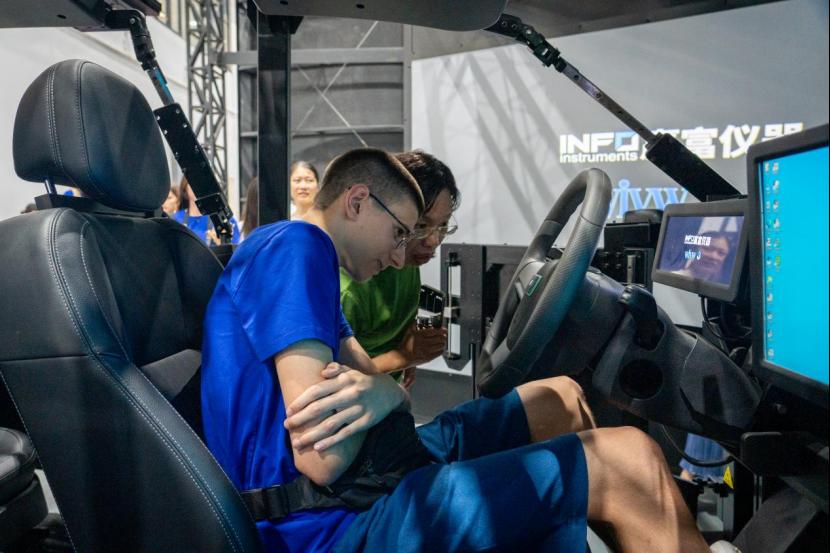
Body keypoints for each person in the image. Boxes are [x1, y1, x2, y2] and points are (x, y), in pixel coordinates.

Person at [201, 147, 717, 553]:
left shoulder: (310, 265)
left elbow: (381, 388)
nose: (401, 255)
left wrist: (387, 393)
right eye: (399, 233)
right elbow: (324, 459)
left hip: (362, 485)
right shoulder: (296, 246)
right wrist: (385, 394)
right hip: (328, 529)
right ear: (357, 202)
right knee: (631, 461)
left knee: (558, 397)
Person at [339, 150, 457, 388]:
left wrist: (407, 358)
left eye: (443, 225)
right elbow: (322, 381)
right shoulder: (347, 288)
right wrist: (403, 357)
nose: (433, 241)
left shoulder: (406, 257)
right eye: (420, 226)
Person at [173, 176, 240, 245]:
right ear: (185, 187)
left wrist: (222, 243)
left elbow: (235, 249)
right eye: (194, 181)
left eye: (202, 182)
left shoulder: (223, 218)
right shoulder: (176, 219)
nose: (198, 186)